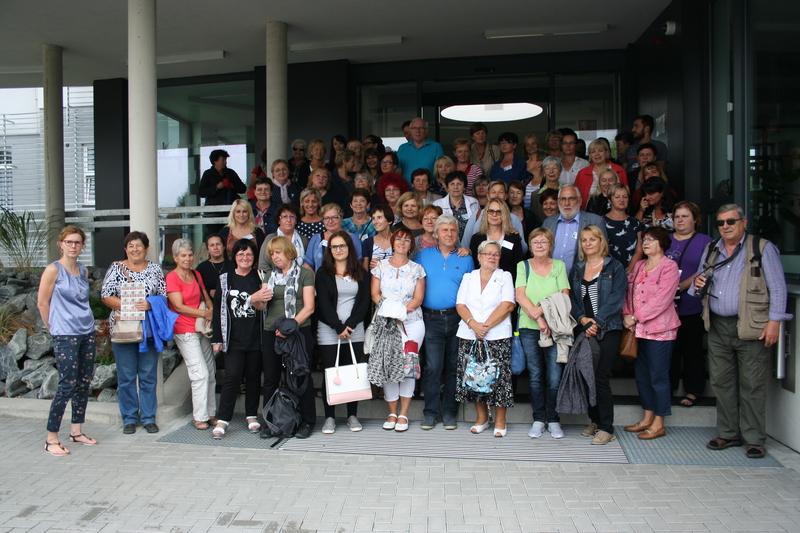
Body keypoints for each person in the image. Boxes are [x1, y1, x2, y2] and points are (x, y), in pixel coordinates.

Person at [693, 204, 791, 459]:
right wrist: (697, 283)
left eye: (730, 222)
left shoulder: (762, 248)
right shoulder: (712, 249)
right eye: (720, 223)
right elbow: (696, 286)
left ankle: (754, 438)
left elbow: (778, 289)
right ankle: (727, 433)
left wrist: (774, 323)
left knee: (752, 384)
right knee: (721, 382)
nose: (725, 227)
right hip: (717, 325)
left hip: (752, 325)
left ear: (743, 222)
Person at [38, 225, 97, 456]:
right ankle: (51, 438)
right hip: (65, 334)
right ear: (61, 244)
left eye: (77, 242)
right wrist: (53, 328)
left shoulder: (82, 271)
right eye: (69, 242)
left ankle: (76, 430)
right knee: (66, 385)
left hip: (86, 331)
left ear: (82, 246)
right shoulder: (53, 270)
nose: (73, 246)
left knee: (84, 382)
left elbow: (83, 302)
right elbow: (43, 303)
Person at [101, 231, 167, 434]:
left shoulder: (155, 269)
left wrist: (150, 303)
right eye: (131, 246)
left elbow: (163, 297)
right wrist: (126, 305)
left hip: (148, 329)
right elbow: (105, 295)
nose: (135, 249)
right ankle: (129, 417)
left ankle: (148, 417)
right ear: (125, 249)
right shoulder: (116, 268)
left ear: (146, 248)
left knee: (148, 376)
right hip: (124, 328)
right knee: (127, 376)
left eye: (139, 245)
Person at [569, 226, 626, 445]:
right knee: (586, 375)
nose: (588, 243)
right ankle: (593, 420)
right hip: (585, 328)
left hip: (608, 327)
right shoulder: (578, 268)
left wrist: (597, 322)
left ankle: (606, 427)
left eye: (592, 239)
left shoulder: (615, 267)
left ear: (601, 241)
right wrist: (583, 320)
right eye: (584, 240)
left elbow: (616, 297)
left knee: (601, 377)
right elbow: (572, 299)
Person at [623, 227, 680, 441]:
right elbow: (628, 293)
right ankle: (647, 417)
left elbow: (663, 300)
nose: (646, 243)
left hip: (660, 330)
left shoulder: (669, 267)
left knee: (659, 376)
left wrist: (636, 317)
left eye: (651, 240)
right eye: (644, 240)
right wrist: (627, 315)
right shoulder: (639, 266)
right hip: (638, 330)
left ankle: (659, 422)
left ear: (662, 243)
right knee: (643, 376)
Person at [417, 215, 474, 430]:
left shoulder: (466, 258)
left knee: (453, 367)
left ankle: (450, 412)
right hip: (430, 318)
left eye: (452, 230)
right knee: (432, 367)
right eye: (444, 230)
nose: (449, 234)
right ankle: (430, 413)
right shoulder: (423, 256)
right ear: (436, 234)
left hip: (457, 318)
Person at [211, 239, 272, 439]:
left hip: (256, 337)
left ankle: (251, 415)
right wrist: (217, 338)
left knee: (254, 377)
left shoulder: (260, 277)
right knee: (232, 377)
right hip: (233, 338)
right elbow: (219, 310)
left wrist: (255, 300)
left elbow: (264, 304)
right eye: (240, 254)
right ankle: (223, 419)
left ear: (254, 258)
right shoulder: (225, 279)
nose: (245, 258)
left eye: (248, 254)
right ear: (234, 257)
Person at [455, 240, 515, 437]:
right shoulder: (468, 277)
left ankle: (500, 420)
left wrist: (485, 327)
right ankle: (481, 418)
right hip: (469, 333)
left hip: (496, 334)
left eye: (496, 254)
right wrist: (474, 325)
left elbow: (507, 305)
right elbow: (460, 304)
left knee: (499, 378)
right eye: (487, 253)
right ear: (479, 257)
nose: (492, 257)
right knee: (474, 376)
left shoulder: (504, 276)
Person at [515, 228, 570, 439]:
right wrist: (538, 318)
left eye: (543, 241)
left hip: (556, 327)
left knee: (554, 376)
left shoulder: (559, 266)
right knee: (536, 375)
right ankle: (538, 418)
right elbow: (520, 295)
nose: (539, 245)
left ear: (550, 245)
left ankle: (554, 419)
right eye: (535, 241)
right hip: (529, 327)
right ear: (530, 244)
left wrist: (546, 316)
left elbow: (564, 295)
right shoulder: (523, 266)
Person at [260, 237, 317, 439]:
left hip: (298, 332)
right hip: (271, 332)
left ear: (289, 252)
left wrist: (288, 328)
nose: (274, 257)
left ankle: (307, 421)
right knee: (271, 378)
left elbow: (309, 307)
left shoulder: (305, 274)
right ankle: (270, 421)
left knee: (300, 377)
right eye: (272, 253)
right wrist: (257, 300)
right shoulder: (269, 276)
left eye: (278, 252)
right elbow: (261, 307)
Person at [371, 228, 426, 432]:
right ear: (392, 243)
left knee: (407, 367)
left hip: (412, 323)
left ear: (411, 244)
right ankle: (392, 412)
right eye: (398, 239)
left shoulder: (417, 269)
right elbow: (375, 294)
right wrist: (389, 311)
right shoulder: (380, 267)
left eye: (406, 240)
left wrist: (401, 311)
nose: (402, 242)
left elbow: (418, 298)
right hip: (386, 323)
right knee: (389, 365)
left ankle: (404, 413)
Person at [316, 231, 371, 434]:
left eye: (342, 246)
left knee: (352, 372)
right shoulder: (323, 273)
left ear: (349, 248)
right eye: (335, 247)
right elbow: (322, 303)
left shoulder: (360, 272)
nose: (339, 250)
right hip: (329, 330)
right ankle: (329, 417)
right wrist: (338, 327)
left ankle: (352, 415)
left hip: (354, 329)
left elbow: (364, 302)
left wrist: (350, 325)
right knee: (331, 372)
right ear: (330, 250)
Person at [165, 239, 216, 430]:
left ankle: (211, 413)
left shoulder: (195, 273)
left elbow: (205, 295)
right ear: (176, 257)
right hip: (184, 329)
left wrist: (210, 310)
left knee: (210, 371)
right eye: (183, 255)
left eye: (190, 254)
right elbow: (178, 306)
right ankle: (199, 416)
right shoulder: (171, 277)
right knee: (199, 373)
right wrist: (205, 313)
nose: (187, 258)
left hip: (201, 326)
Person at [666, 201, 712, 408]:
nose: (680, 220)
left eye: (685, 216)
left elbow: (706, 269)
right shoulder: (665, 240)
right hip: (666, 306)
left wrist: (681, 286)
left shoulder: (705, 241)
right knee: (669, 350)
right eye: (677, 217)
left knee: (692, 349)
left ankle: (694, 390)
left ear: (695, 219)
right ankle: (669, 387)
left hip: (691, 303)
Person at [541, 185, 607, 275]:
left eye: (571, 199)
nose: (567, 203)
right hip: (551, 279)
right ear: (558, 202)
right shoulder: (548, 223)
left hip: (582, 279)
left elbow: (603, 252)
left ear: (579, 201)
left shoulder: (595, 221)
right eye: (563, 199)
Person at [468, 199, 523, 282]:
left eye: (499, 212)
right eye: (491, 211)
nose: (494, 214)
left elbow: (518, 265)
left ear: (504, 215)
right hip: (482, 284)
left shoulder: (513, 237)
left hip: (507, 284)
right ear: (486, 213)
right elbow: (474, 265)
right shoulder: (476, 238)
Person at [304, 203, 362, 271]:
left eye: (334, 217)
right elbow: (307, 265)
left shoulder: (353, 238)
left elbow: (358, 264)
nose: (330, 221)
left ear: (341, 218)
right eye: (326, 218)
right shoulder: (316, 239)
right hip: (321, 280)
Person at [574, 140, 628, 209]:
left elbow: (626, 194)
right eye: (593, 152)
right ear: (590, 155)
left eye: (600, 151)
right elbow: (576, 197)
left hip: (616, 213)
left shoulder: (619, 170)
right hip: (589, 214)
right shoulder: (582, 174)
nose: (597, 154)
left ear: (606, 152)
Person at [604, 184, 645, 271]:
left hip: (631, 271)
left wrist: (629, 269)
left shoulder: (635, 222)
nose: (621, 200)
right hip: (607, 271)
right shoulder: (600, 221)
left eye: (625, 197)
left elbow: (639, 250)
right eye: (617, 197)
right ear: (610, 200)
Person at [432, 171, 479, 244]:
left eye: (459, 184)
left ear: (464, 187)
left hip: (470, 244)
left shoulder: (474, 202)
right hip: (445, 245)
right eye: (452, 184)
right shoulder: (437, 204)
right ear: (447, 187)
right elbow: (434, 227)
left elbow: (477, 227)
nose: (455, 187)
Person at [397, 117, 444, 183]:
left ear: (426, 130)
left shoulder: (436, 147)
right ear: (410, 130)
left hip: (429, 190)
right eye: (414, 128)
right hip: (406, 190)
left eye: (421, 128)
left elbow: (441, 171)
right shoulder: (402, 148)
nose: (417, 131)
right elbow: (397, 170)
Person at [261, 204, 308, 270]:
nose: (288, 220)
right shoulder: (270, 238)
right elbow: (263, 265)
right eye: (285, 216)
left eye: (292, 216)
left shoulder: (304, 240)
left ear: (296, 221)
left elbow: (309, 264)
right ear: (278, 220)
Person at [361, 205, 394, 270]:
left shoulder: (399, 240)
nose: (375, 222)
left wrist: (381, 265)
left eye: (379, 217)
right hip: (373, 279)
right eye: (373, 218)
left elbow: (405, 266)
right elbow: (365, 270)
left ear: (389, 221)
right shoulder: (367, 242)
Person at [529, 156, 562, 220]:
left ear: (560, 171)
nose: (551, 171)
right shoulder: (535, 195)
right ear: (543, 172)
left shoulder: (567, 192)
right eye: (547, 168)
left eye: (554, 168)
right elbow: (534, 220)